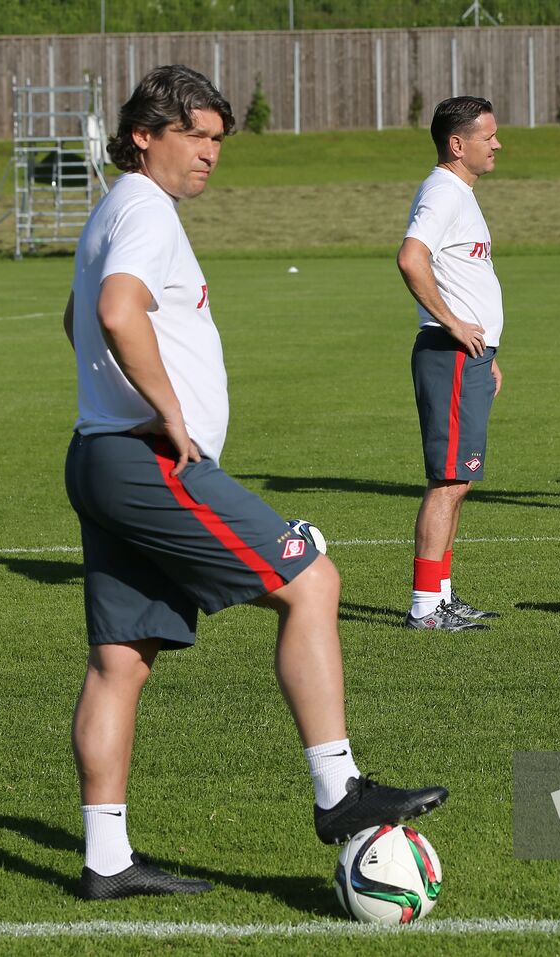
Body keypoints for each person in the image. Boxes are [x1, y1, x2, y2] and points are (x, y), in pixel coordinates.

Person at [62, 65, 446, 901]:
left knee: (121, 659)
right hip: (144, 458)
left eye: (216, 141)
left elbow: (76, 315)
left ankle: (105, 859)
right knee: (312, 580)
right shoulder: (145, 210)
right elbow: (115, 311)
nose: (209, 155)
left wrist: (117, 398)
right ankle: (338, 790)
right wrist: (168, 411)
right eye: (194, 137)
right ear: (143, 135)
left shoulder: (110, 213)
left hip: (101, 454)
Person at [396, 96, 505, 631]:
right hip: (450, 354)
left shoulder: (460, 193)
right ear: (457, 144)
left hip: (470, 360)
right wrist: (454, 325)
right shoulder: (443, 192)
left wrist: (490, 354)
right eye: (488, 136)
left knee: (458, 481)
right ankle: (425, 606)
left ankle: (439, 595)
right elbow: (410, 257)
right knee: (447, 481)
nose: (497, 144)